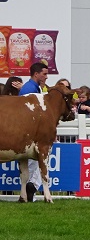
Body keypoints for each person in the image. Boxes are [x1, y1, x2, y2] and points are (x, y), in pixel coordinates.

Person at [17, 62, 49, 202]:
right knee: (37, 159)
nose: (46, 77)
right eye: (44, 74)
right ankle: (32, 186)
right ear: (36, 74)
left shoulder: (32, 88)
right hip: (29, 132)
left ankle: (30, 189)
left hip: (27, 131)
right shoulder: (30, 90)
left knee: (31, 162)